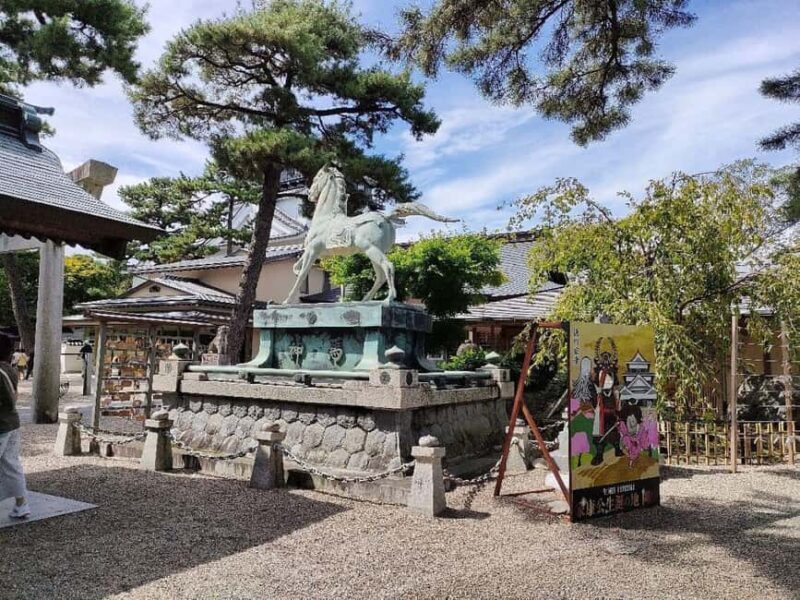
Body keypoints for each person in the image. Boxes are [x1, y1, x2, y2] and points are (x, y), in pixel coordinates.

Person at [0, 333, 30, 518]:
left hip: (1, 425)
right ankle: (22, 504)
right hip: (12, 423)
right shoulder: (9, 369)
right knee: (12, 465)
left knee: (10, 465)